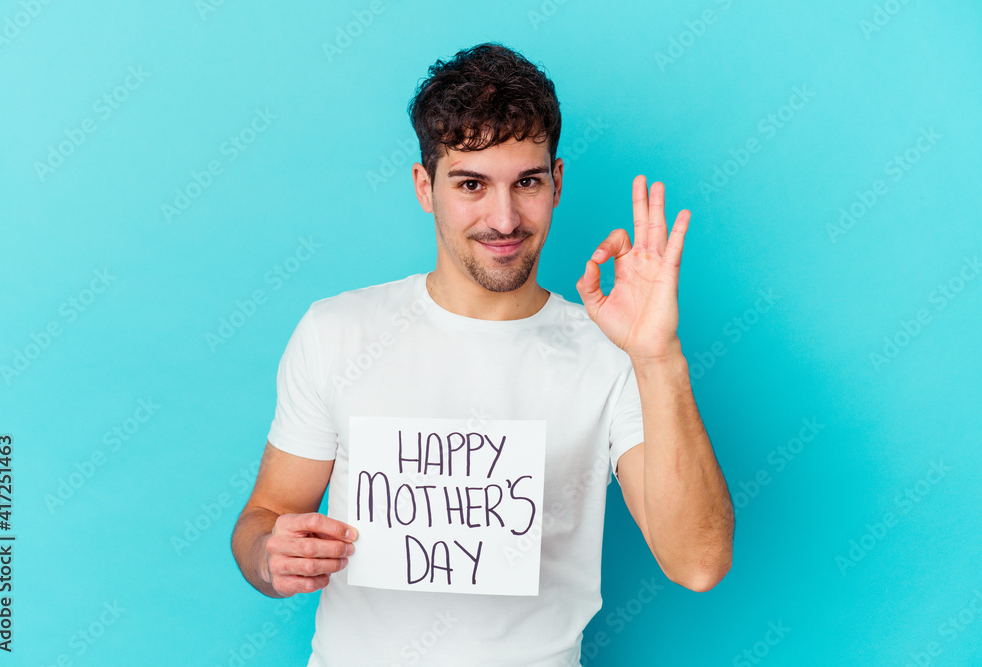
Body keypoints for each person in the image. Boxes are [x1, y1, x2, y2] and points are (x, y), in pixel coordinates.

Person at [231, 42, 733, 666]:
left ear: (556, 184)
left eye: (527, 182)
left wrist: (658, 357)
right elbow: (267, 515)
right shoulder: (337, 331)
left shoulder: (612, 355)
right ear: (425, 186)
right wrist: (268, 554)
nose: (504, 218)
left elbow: (699, 562)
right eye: (472, 184)